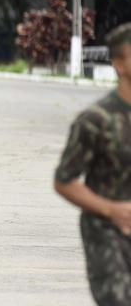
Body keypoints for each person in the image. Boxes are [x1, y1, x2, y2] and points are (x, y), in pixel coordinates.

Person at [54, 23, 131, 306]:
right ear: (118, 64)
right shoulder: (95, 120)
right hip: (107, 234)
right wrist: (111, 210)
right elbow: (64, 180)